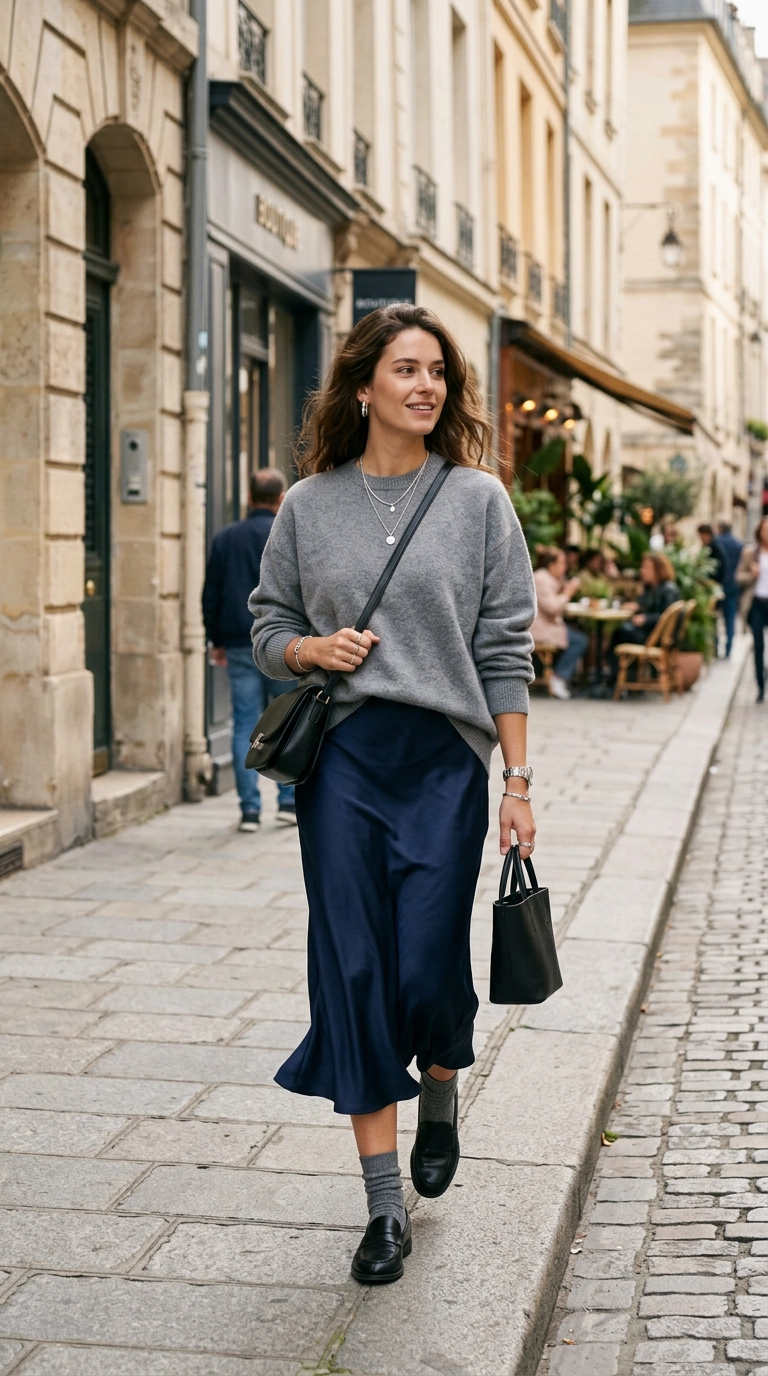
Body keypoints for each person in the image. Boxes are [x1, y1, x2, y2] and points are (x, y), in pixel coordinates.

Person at [249, 304, 536, 1285]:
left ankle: (443, 1082)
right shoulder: (306, 504)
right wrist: (305, 648)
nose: (426, 385)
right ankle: (382, 1210)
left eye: (439, 373)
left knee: (425, 967)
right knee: (355, 970)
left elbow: (503, 646)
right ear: (363, 385)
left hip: (444, 766)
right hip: (342, 765)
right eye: (406, 369)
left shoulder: (478, 500)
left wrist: (519, 780)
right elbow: (265, 623)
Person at [202, 469, 297, 831]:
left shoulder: (226, 537)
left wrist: (217, 640)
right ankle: (288, 801)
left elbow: (211, 593)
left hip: (240, 642)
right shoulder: (283, 532)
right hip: (283, 646)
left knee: (245, 722)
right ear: (279, 499)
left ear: (249, 497)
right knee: (287, 721)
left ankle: (250, 810)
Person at [530, 548, 588, 700]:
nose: (565, 567)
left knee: (578, 635)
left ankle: (563, 676)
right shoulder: (541, 579)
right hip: (539, 629)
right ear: (551, 564)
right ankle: (559, 677)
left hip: (549, 626)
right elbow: (553, 608)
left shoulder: (550, 578)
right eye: (562, 563)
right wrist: (568, 592)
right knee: (580, 640)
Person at [609, 551, 681, 665]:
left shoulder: (669, 589)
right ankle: (619, 673)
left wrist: (645, 619)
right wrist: (636, 606)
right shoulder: (650, 588)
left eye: (646, 567)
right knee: (620, 631)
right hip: (649, 632)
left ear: (658, 569)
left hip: (657, 637)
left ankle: (620, 675)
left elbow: (668, 617)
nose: (642, 571)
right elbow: (645, 605)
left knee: (620, 633)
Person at [736, 516, 768, 703]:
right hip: (756, 603)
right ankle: (760, 686)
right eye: (765, 530)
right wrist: (751, 574)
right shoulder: (750, 553)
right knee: (758, 646)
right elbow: (739, 577)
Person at [713, 520, 744, 658]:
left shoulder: (716, 542)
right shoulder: (738, 544)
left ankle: (715, 647)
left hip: (717, 585)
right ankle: (728, 648)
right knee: (730, 618)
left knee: (713, 617)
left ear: (720, 528)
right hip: (732, 584)